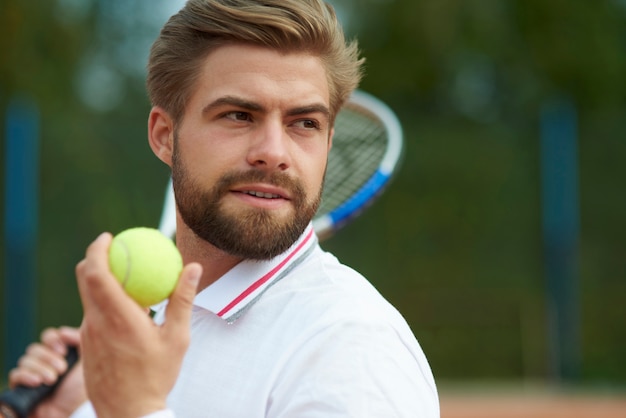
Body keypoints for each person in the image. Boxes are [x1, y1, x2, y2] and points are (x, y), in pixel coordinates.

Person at [5, 0, 439, 416]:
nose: (273, 152)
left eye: (305, 123)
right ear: (163, 135)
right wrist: (74, 411)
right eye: (239, 115)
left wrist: (133, 410)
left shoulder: (351, 345)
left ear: (328, 143)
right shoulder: (157, 329)